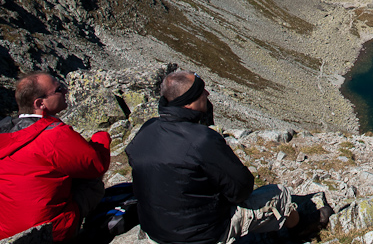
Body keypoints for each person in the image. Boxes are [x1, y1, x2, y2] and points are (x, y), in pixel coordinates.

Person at [126, 70, 331, 244]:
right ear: (187, 103)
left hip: (156, 232)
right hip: (203, 235)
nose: (206, 93)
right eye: (200, 92)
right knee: (280, 195)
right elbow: (242, 188)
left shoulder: (147, 130)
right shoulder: (201, 140)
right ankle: (303, 227)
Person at [0, 72, 111, 241]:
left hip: (8, 233)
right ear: (40, 103)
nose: (66, 91)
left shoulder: (4, 133)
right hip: (50, 231)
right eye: (59, 89)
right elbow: (97, 164)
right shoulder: (54, 134)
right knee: (91, 182)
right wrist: (101, 137)